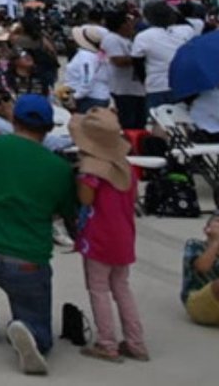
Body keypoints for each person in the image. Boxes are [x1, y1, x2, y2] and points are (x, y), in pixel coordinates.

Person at [0, 94, 77, 376]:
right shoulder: (59, 168)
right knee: (40, 332)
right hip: (27, 262)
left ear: (13, 119)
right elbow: (63, 213)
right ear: (48, 128)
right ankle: (30, 332)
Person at [70, 108, 147, 362]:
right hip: (124, 235)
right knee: (122, 288)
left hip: (99, 237)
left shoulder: (92, 168)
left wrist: (79, 179)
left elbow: (86, 199)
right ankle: (136, 342)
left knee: (98, 289)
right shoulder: (125, 166)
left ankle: (107, 343)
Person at [132, 1, 193, 112]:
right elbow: (184, 21)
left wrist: (145, 81)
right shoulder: (186, 30)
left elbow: (137, 63)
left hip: (156, 85)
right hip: (183, 83)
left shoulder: (142, 37)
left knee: (160, 118)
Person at [180, 210, 219, 328]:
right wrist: (216, 241)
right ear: (206, 229)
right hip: (197, 304)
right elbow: (202, 267)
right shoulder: (195, 245)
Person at [100, 10, 146, 130]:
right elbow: (118, 61)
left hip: (137, 89)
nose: (132, 25)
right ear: (122, 25)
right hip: (123, 91)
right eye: (129, 22)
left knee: (140, 124)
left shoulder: (127, 39)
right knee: (128, 125)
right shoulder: (112, 39)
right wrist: (141, 58)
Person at [66, 26, 110, 114]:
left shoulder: (85, 56)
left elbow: (87, 79)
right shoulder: (97, 54)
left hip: (90, 99)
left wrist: (75, 96)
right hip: (99, 95)